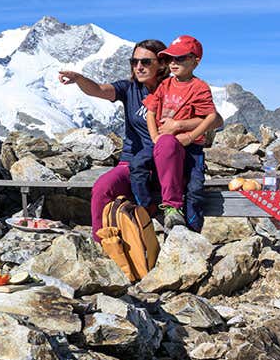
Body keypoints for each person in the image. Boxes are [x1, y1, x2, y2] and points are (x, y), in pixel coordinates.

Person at [59, 39, 222, 238]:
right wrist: (78, 78)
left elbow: (216, 119)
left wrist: (180, 126)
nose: (138, 67)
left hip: (171, 161)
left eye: (145, 62)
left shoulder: (177, 85)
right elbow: (98, 90)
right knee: (102, 187)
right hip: (134, 161)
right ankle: (102, 244)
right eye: (134, 62)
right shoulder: (129, 88)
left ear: (161, 63)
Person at [146, 35, 220, 229]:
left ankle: (194, 231)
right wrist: (155, 137)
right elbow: (150, 111)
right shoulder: (165, 85)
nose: (173, 63)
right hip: (166, 146)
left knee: (194, 189)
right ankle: (172, 210)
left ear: (195, 61)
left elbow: (211, 117)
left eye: (179, 58)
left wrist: (188, 135)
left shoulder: (199, 87)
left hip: (191, 148)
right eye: (170, 58)